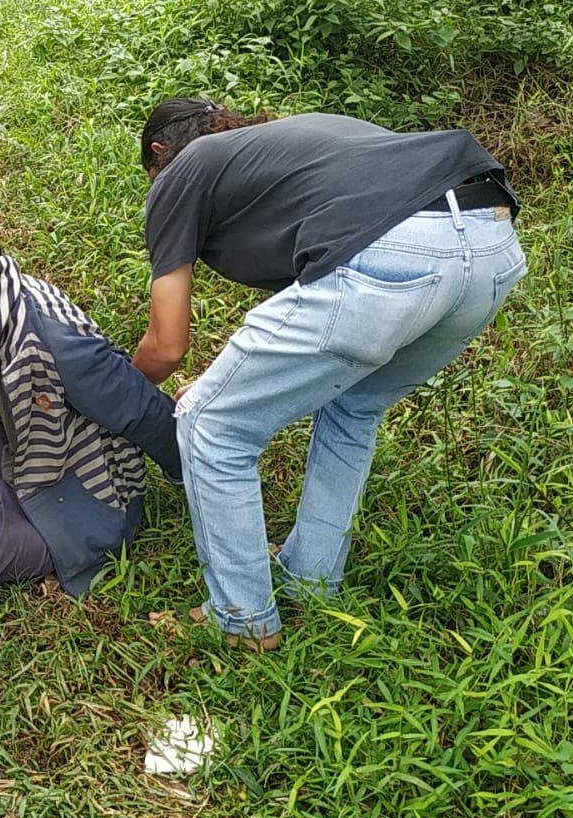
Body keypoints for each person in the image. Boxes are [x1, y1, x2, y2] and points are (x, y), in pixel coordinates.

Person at [133, 97, 529, 651]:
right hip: (493, 245)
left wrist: (123, 394)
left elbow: (167, 345)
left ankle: (243, 621)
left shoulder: (184, 170)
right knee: (354, 407)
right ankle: (312, 580)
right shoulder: (304, 141)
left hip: (393, 252)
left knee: (210, 426)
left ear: (159, 155)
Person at [0, 178, 183, 601]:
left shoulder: (52, 341)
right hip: (27, 457)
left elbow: (144, 411)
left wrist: (197, 475)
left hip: (83, 498)